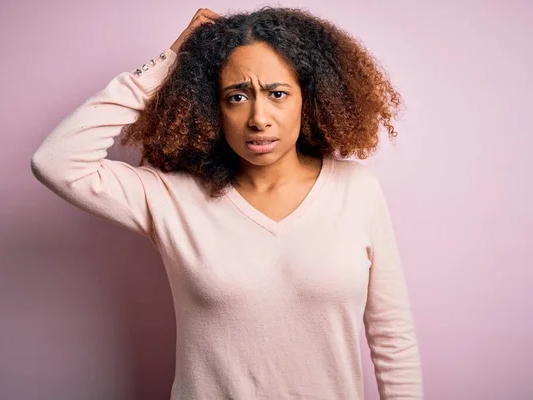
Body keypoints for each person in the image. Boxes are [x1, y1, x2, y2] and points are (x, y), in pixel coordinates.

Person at [31, 6, 423, 399]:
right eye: (237, 96)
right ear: (211, 107)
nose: (258, 118)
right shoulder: (172, 198)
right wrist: (166, 63)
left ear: (310, 98)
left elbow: (392, 339)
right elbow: (56, 162)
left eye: (277, 94)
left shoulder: (356, 190)